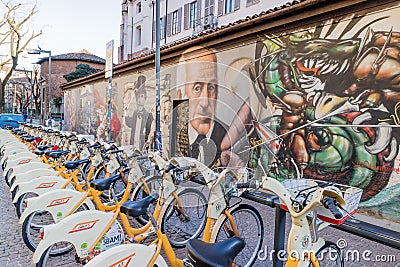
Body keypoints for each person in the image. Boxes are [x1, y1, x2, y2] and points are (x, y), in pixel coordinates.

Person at [176, 46, 229, 167]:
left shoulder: (228, 138)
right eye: (197, 88)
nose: (205, 102)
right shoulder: (173, 134)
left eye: (211, 88)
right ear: (180, 96)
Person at [125, 75, 154, 150]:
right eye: (138, 97)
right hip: (133, 142)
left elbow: (150, 131)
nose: (139, 99)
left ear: (145, 99)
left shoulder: (149, 115)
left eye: (142, 97)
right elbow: (129, 124)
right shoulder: (134, 113)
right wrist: (127, 113)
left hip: (142, 144)